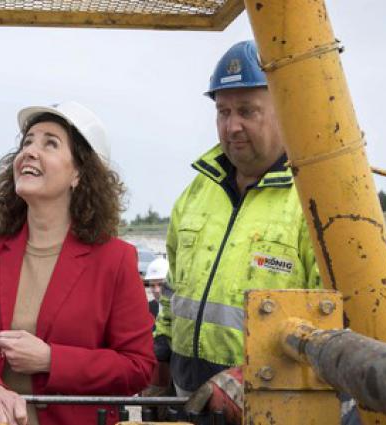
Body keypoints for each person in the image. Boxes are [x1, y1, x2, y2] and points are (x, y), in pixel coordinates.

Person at [0, 101, 155, 425]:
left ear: (78, 173)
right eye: (27, 142)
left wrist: (52, 360)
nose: (29, 151)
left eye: (50, 143)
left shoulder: (115, 259)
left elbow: (138, 367)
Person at [153, 40, 321, 424]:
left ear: (285, 110)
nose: (232, 126)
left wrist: (250, 378)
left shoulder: (313, 199)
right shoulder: (198, 191)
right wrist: (160, 357)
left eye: (247, 111)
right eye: (223, 112)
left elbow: (337, 323)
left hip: (271, 405)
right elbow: (174, 289)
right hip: (187, 398)